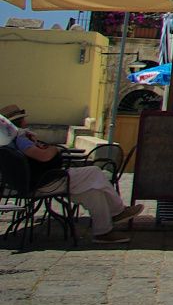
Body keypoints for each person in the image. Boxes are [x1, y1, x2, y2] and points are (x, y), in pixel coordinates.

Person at [2, 104, 144, 244]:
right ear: (19, 122)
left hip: (41, 182)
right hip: (44, 183)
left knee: (94, 193)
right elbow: (43, 157)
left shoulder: (12, 141)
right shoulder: (21, 139)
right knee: (94, 172)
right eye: (23, 120)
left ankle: (102, 233)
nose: (26, 122)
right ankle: (118, 211)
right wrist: (54, 149)